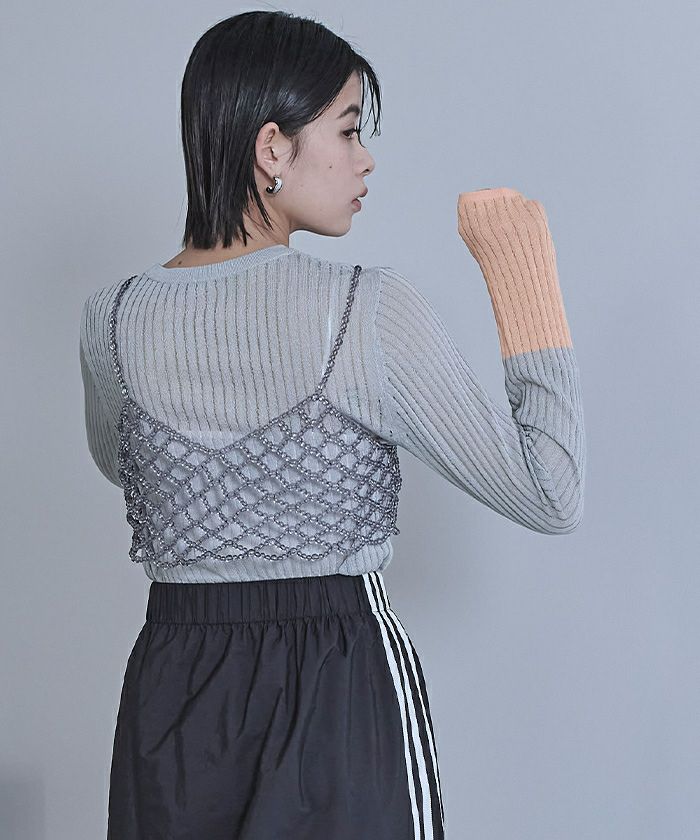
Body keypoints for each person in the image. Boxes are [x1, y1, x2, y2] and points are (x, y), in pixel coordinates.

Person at [79, 10, 585, 840]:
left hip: (172, 694)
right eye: (348, 130)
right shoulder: (364, 309)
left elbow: (121, 466)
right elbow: (551, 492)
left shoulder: (111, 319)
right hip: (336, 689)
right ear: (271, 149)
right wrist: (522, 275)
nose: (365, 158)